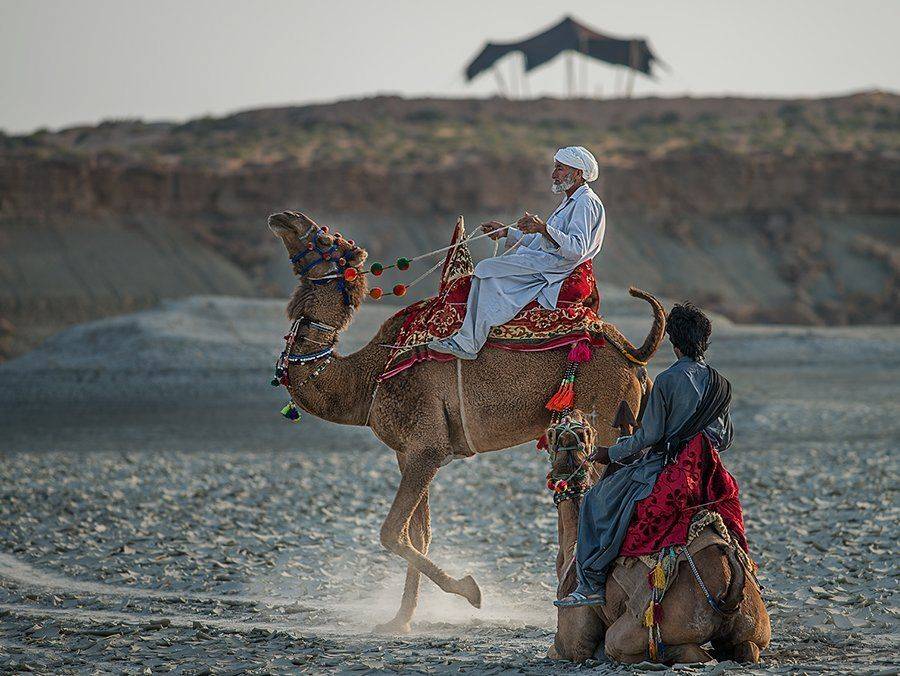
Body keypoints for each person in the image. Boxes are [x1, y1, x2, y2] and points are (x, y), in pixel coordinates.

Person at [555, 302, 739, 607]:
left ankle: (591, 583)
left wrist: (610, 452)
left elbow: (648, 436)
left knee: (595, 502)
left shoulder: (667, 380)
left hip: (669, 468)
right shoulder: (722, 384)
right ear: (704, 340)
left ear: (674, 342)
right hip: (710, 471)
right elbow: (725, 437)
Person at [428, 146, 605, 359]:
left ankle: (468, 343)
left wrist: (543, 228)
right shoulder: (571, 201)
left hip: (558, 267)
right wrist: (506, 232)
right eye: (555, 168)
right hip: (549, 260)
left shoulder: (585, 202)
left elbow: (577, 248)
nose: (553, 175)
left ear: (578, 173)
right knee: (488, 270)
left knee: (485, 269)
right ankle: (470, 336)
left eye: (560, 169)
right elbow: (543, 241)